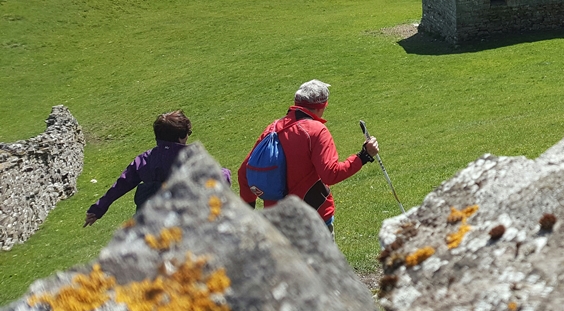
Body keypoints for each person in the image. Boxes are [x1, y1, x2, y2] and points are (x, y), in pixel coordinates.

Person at [237, 80, 379, 232]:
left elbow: (243, 172)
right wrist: (363, 156)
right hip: (313, 217)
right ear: (324, 105)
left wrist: (248, 210)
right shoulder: (316, 131)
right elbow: (331, 174)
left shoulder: (273, 128)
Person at [85, 111, 230, 227]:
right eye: (188, 133)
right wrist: (226, 173)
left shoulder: (145, 159)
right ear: (181, 136)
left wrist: (98, 209)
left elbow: (121, 184)